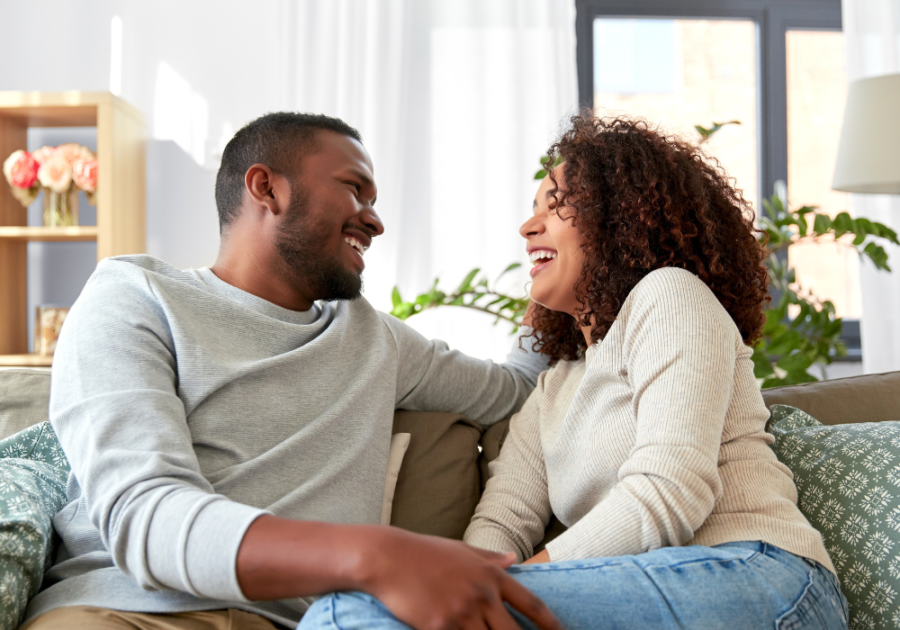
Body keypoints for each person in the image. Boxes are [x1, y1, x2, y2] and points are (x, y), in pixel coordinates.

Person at [298, 114, 851, 629]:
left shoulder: (671, 297)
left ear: (623, 217)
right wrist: (466, 579)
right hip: (661, 588)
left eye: (556, 203)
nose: (527, 225)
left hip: (761, 579)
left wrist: (499, 588)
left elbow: (671, 491)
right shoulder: (554, 387)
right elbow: (501, 525)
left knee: (348, 616)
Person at [20, 113, 561, 630]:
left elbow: (514, 389)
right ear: (267, 188)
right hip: (125, 612)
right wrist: (377, 556)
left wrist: (552, 276)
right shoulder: (134, 298)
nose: (375, 220)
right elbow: (146, 517)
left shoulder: (375, 338)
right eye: (354, 189)